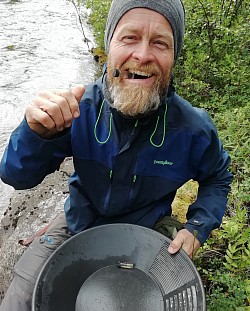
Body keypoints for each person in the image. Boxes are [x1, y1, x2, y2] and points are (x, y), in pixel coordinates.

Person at [0, 0, 233, 309]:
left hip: (146, 236)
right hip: (76, 224)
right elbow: (16, 175)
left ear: (174, 56)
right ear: (108, 45)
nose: (143, 54)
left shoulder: (194, 129)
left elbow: (217, 179)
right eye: (129, 37)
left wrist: (198, 227)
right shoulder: (77, 110)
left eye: (160, 42)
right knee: (20, 301)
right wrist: (35, 134)